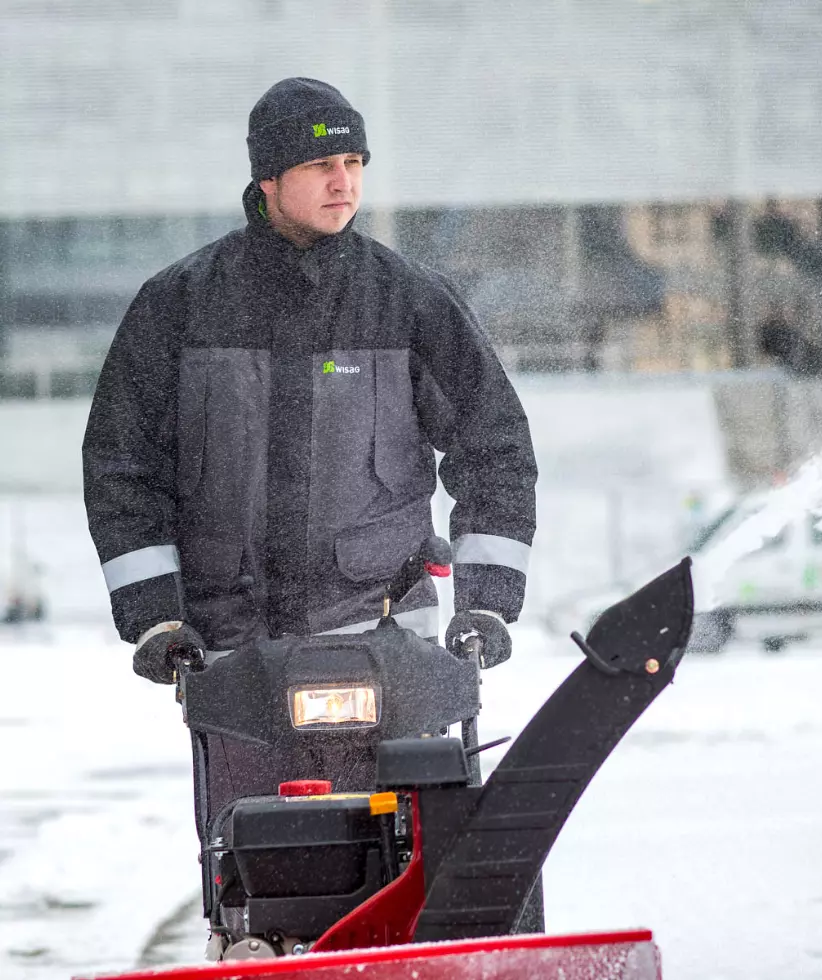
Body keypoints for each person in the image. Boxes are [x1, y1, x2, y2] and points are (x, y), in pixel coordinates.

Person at [82, 77, 537, 794]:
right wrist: (154, 618)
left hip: (389, 651)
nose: (342, 183)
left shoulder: (411, 300)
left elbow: (494, 447)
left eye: (355, 165)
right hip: (236, 659)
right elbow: (122, 466)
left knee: (415, 855)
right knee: (256, 863)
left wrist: (485, 602)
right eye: (321, 166)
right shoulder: (179, 306)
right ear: (268, 178)